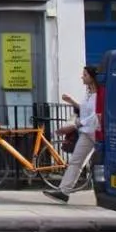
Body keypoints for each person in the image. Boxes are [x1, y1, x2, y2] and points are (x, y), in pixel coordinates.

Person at [44, 64, 99, 202]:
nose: (82, 76)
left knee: (92, 164)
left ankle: (102, 193)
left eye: (85, 75)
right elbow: (86, 111)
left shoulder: (99, 94)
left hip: (96, 133)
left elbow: (95, 116)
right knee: (76, 162)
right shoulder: (89, 93)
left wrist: (75, 126)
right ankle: (64, 191)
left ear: (92, 78)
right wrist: (72, 101)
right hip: (87, 133)